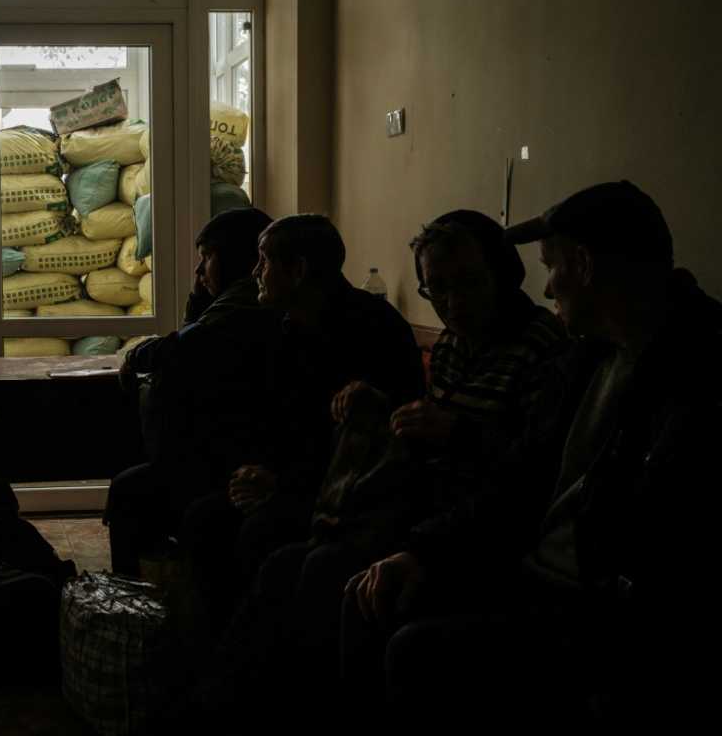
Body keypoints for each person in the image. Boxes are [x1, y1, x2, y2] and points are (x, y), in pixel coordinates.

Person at [345, 181, 722, 728]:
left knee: (411, 648)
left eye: (552, 267)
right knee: (366, 594)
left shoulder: (697, 369)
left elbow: (667, 551)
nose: (546, 288)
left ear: (586, 266)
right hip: (526, 570)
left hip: (592, 611)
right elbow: (518, 479)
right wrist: (423, 553)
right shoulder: (588, 357)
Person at [177, 210, 567, 730]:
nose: (451, 304)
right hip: (409, 502)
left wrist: (447, 437)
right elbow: (380, 438)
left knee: (309, 559)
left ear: (504, 275)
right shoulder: (452, 343)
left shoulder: (540, 349)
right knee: (264, 550)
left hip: (477, 529)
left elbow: (530, 471)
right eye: (436, 291)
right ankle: (222, 696)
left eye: (467, 284)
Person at [179, 214, 425, 635]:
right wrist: (256, 472)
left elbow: (370, 449)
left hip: (351, 495)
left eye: (264, 261)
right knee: (204, 517)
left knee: (261, 535)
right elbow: (271, 418)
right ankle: (213, 646)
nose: (255, 273)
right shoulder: (286, 328)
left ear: (298, 271)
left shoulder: (373, 330)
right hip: (295, 478)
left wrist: (282, 485)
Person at [105, 208, 278, 577]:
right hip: (216, 457)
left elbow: (181, 347)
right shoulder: (235, 300)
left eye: (207, 257)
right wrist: (200, 296)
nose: (199, 270)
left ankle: (139, 605)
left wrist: (136, 355)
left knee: (130, 490)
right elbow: (191, 339)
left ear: (236, 258)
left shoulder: (250, 299)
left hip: (232, 463)